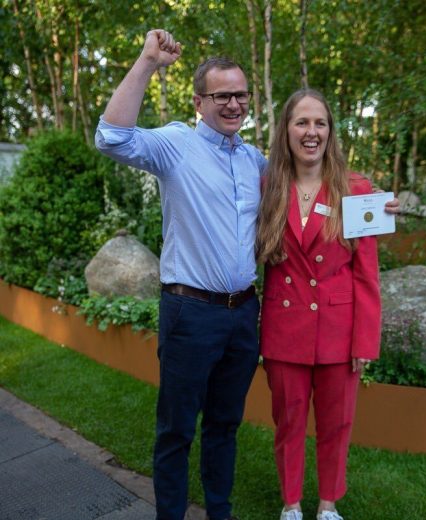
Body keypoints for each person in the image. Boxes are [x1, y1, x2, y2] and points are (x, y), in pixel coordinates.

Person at [96, 29, 397, 520]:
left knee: (224, 426)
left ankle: (219, 512)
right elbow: (111, 136)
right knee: (177, 429)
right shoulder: (176, 146)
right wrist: (148, 62)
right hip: (190, 310)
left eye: (241, 95)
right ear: (199, 101)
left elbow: (323, 194)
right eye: (222, 95)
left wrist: (378, 207)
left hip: (243, 316)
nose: (234, 104)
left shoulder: (260, 165)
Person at [256, 89, 382, 520]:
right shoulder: (268, 185)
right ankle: (291, 503)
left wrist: (365, 342)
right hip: (284, 324)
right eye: (302, 123)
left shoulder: (358, 189)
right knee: (288, 423)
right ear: (286, 130)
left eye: (320, 123)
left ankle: (328, 505)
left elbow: (367, 273)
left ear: (330, 131)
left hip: (339, 328)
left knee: (337, 425)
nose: (311, 132)